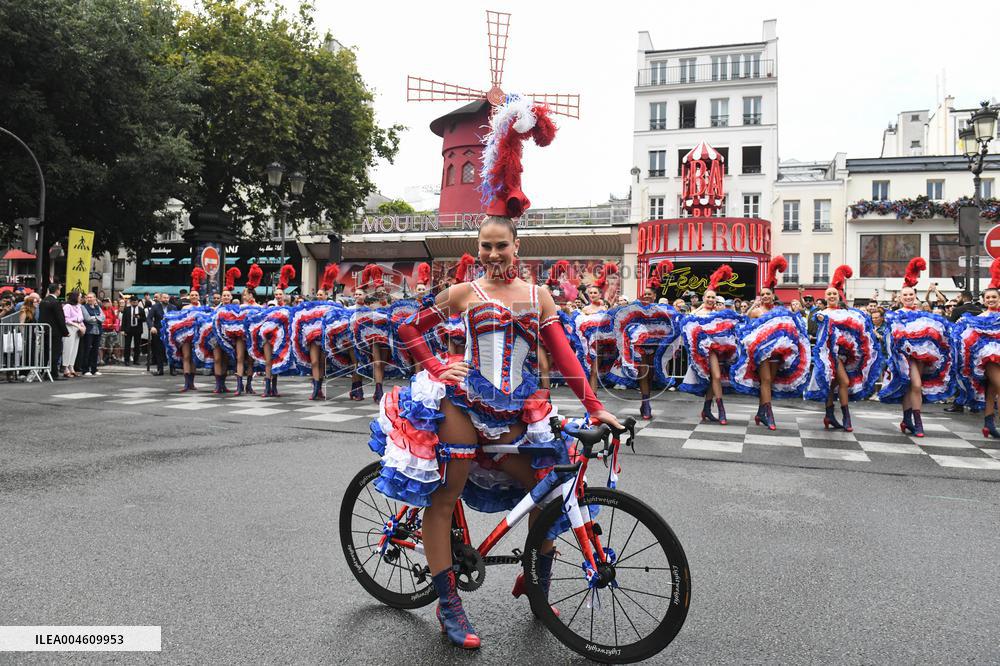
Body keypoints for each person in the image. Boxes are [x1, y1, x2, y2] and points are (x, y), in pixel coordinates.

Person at [877, 258, 953, 437]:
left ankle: (907, 420)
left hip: (922, 356)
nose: (909, 297)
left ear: (915, 296)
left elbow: (933, 332)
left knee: (912, 387)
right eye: (905, 295)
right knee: (916, 386)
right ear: (900, 298)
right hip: (905, 357)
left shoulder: (922, 315)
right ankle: (917, 423)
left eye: (911, 295)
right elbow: (892, 337)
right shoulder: (895, 315)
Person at [732, 257, 809, 430]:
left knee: (769, 382)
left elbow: (790, 325)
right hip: (760, 353)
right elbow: (745, 328)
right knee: (766, 380)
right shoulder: (756, 312)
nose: (766, 296)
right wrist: (752, 307)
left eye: (768, 294)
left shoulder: (779, 310)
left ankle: (761, 412)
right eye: (763, 294)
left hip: (776, 353)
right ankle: (769, 415)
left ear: (773, 295)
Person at [679, 266, 740, 424]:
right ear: (704, 298)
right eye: (708, 297)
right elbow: (686, 327)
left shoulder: (718, 314)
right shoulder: (697, 314)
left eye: (713, 298)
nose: (711, 300)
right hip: (704, 352)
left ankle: (707, 409)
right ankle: (721, 410)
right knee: (717, 376)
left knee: (714, 378)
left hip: (719, 351)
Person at [39, 284, 69, 380]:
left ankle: (45, 371)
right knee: (55, 352)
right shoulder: (55, 302)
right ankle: (54, 373)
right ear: (57, 291)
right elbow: (60, 318)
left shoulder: (43, 301)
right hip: (55, 331)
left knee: (46, 352)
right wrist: (65, 332)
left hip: (45, 330)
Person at [79, 292, 105, 376]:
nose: (89, 299)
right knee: (87, 350)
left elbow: (103, 317)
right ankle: (85, 369)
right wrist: (97, 318)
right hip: (89, 331)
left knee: (95, 350)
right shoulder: (83, 307)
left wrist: (95, 318)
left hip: (98, 331)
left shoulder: (98, 307)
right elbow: (87, 318)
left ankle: (94, 369)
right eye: (88, 297)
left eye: (91, 297)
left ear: (95, 298)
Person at [61, 291, 85, 378]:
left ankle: (71, 366)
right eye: (80, 296)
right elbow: (66, 319)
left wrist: (83, 327)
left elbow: (81, 319)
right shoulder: (67, 306)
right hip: (69, 327)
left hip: (77, 327)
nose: (81, 298)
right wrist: (77, 326)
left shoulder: (79, 306)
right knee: (68, 348)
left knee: (75, 348)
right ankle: (65, 368)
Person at [147, 293, 171, 375]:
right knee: (159, 351)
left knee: (171, 350)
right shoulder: (155, 307)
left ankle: (173, 368)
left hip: (170, 332)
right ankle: (160, 369)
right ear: (160, 299)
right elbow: (149, 318)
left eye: (167, 298)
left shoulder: (173, 307)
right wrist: (151, 327)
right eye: (164, 298)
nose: (166, 299)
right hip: (158, 331)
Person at [121, 295, 145, 366]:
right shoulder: (127, 309)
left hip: (137, 329)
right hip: (129, 329)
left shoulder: (141, 309)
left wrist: (139, 317)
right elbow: (124, 320)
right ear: (130, 302)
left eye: (136, 302)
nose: (135, 303)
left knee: (137, 345)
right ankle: (126, 360)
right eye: (133, 302)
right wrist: (123, 329)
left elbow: (144, 319)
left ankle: (136, 360)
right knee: (127, 345)